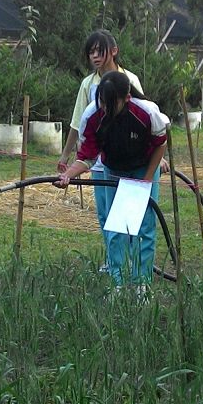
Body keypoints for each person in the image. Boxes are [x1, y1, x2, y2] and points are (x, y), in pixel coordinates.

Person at [55, 71, 169, 291]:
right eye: (102, 102)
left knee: (143, 226)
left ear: (126, 98)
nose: (105, 108)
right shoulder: (93, 115)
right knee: (117, 226)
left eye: (111, 103)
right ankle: (117, 283)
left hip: (143, 168)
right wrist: (69, 174)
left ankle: (141, 284)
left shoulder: (146, 112)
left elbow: (160, 144)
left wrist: (146, 181)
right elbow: (87, 157)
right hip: (113, 169)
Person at [57, 30, 143, 250]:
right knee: (106, 212)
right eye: (91, 52)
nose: (95, 56)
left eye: (99, 51)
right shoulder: (88, 84)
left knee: (129, 213)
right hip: (98, 158)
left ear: (113, 51)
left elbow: (145, 120)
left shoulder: (129, 79)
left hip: (129, 155)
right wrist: (66, 157)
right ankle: (112, 260)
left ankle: (133, 263)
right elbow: (78, 122)